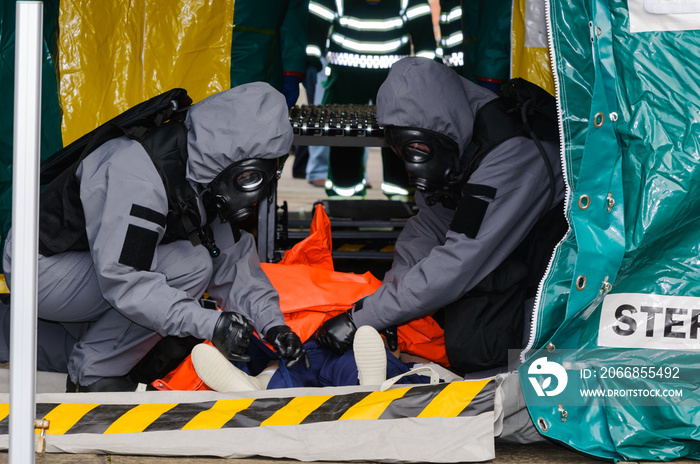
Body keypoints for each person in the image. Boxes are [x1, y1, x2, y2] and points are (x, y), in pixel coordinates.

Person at [1, 83, 309, 392]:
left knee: (192, 270)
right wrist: (211, 324)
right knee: (191, 266)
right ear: (237, 162)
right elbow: (126, 280)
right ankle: (93, 375)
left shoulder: (202, 173)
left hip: (82, 262)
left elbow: (233, 262)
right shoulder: (139, 175)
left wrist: (273, 325)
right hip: (40, 268)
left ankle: (51, 340)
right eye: (251, 179)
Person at [315, 57, 567, 376]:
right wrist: (388, 302)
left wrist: (363, 318)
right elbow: (429, 225)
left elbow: (459, 261)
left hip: (555, 279)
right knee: (461, 324)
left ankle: (531, 389)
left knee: (480, 344)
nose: (412, 165)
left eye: (419, 150)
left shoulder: (512, 154)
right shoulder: (452, 139)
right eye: (403, 150)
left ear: (441, 130)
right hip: (506, 254)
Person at [306, 0, 438, 199]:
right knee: (345, 137)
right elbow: (315, 27)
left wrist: (423, 74)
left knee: (398, 139)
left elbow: (424, 39)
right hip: (346, 80)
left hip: (394, 80)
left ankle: (401, 200)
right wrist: (311, 61)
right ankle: (345, 199)